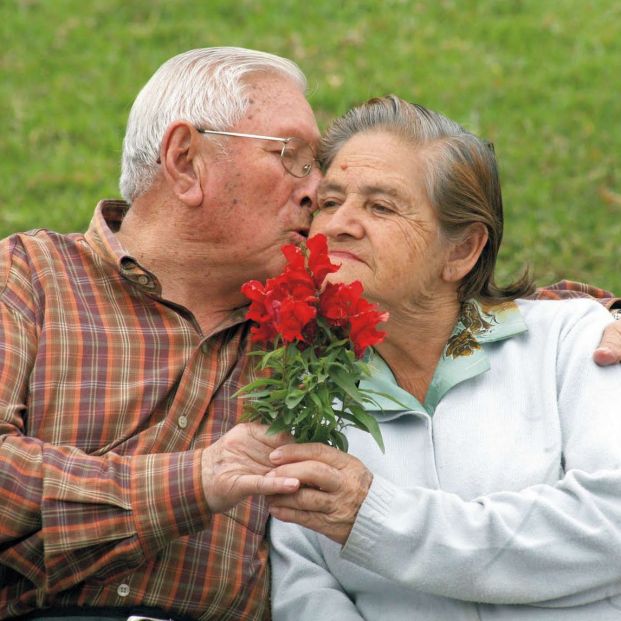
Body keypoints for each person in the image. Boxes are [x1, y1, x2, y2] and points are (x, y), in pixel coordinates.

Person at [268, 96, 621, 620]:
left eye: (381, 206)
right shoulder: (307, 390)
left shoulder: (571, 339)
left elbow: (609, 520)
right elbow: (303, 587)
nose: (339, 224)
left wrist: (375, 518)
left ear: (462, 251)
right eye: (329, 201)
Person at [0, 47, 321, 621]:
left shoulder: (313, 334)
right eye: (291, 157)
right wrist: (195, 482)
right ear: (186, 160)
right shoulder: (27, 275)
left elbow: (460, 295)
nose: (314, 191)